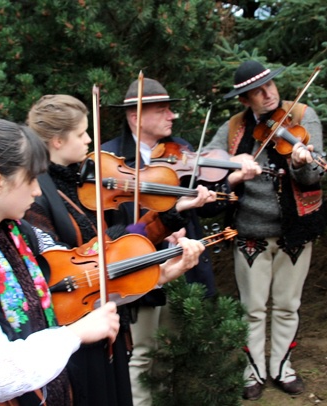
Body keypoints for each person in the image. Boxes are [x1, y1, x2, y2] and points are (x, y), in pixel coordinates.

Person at [0, 117, 206, 405]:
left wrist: (158, 272)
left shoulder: (15, 232)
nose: (36, 191)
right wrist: (75, 334)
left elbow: (79, 280)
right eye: (30, 180)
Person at [203, 60, 327, 401]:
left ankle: (282, 367)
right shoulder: (233, 128)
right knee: (253, 308)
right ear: (245, 100)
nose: (268, 94)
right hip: (249, 231)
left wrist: (302, 165)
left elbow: (316, 176)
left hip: (296, 230)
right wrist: (233, 166)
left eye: (270, 85)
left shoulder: (302, 117)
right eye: (257, 92)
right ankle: (253, 370)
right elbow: (206, 162)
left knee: (288, 304)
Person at [103, 78, 219, 406]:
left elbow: (211, 206)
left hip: (180, 261)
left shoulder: (180, 149)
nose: (172, 116)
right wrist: (155, 226)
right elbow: (107, 226)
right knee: (142, 352)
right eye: (162, 110)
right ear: (137, 117)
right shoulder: (110, 158)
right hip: (138, 265)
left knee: (171, 347)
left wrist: (225, 183)